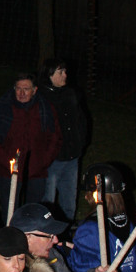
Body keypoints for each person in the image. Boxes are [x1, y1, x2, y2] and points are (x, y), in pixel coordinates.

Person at [0, 73, 62, 207]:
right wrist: (7, 162)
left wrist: (43, 161)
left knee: (33, 212)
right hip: (9, 172)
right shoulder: (3, 107)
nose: (22, 93)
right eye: (18, 89)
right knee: (9, 211)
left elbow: (54, 138)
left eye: (26, 89)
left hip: (36, 172)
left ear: (34, 90)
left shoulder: (45, 108)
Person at [39, 58, 88, 218]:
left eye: (65, 71)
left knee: (69, 199)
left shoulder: (70, 94)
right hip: (52, 159)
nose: (65, 75)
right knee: (48, 201)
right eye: (60, 72)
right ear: (50, 75)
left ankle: (67, 229)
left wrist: (80, 143)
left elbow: (80, 120)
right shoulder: (42, 98)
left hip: (72, 156)